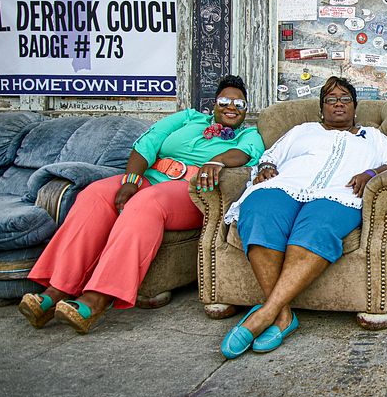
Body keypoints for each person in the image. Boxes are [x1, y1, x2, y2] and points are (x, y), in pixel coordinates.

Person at [18, 76, 264, 334]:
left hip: (191, 192)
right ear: (214, 104)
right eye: (225, 100)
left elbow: (246, 153)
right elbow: (149, 141)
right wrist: (131, 180)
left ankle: (97, 297)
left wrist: (217, 160)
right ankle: (56, 290)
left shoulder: (249, 134)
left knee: (146, 203)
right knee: (94, 195)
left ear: (246, 108)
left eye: (239, 102)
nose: (231, 106)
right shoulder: (188, 118)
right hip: (151, 178)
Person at [219, 76, 387, 358]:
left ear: (355, 107)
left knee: (317, 229)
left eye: (345, 99)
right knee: (258, 213)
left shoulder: (374, 137)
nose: (338, 104)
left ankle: (264, 315)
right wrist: (267, 166)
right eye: (331, 100)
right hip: (286, 184)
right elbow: (270, 156)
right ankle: (281, 316)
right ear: (322, 109)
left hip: (339, 193)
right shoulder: (302, 131)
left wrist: (370, 174)